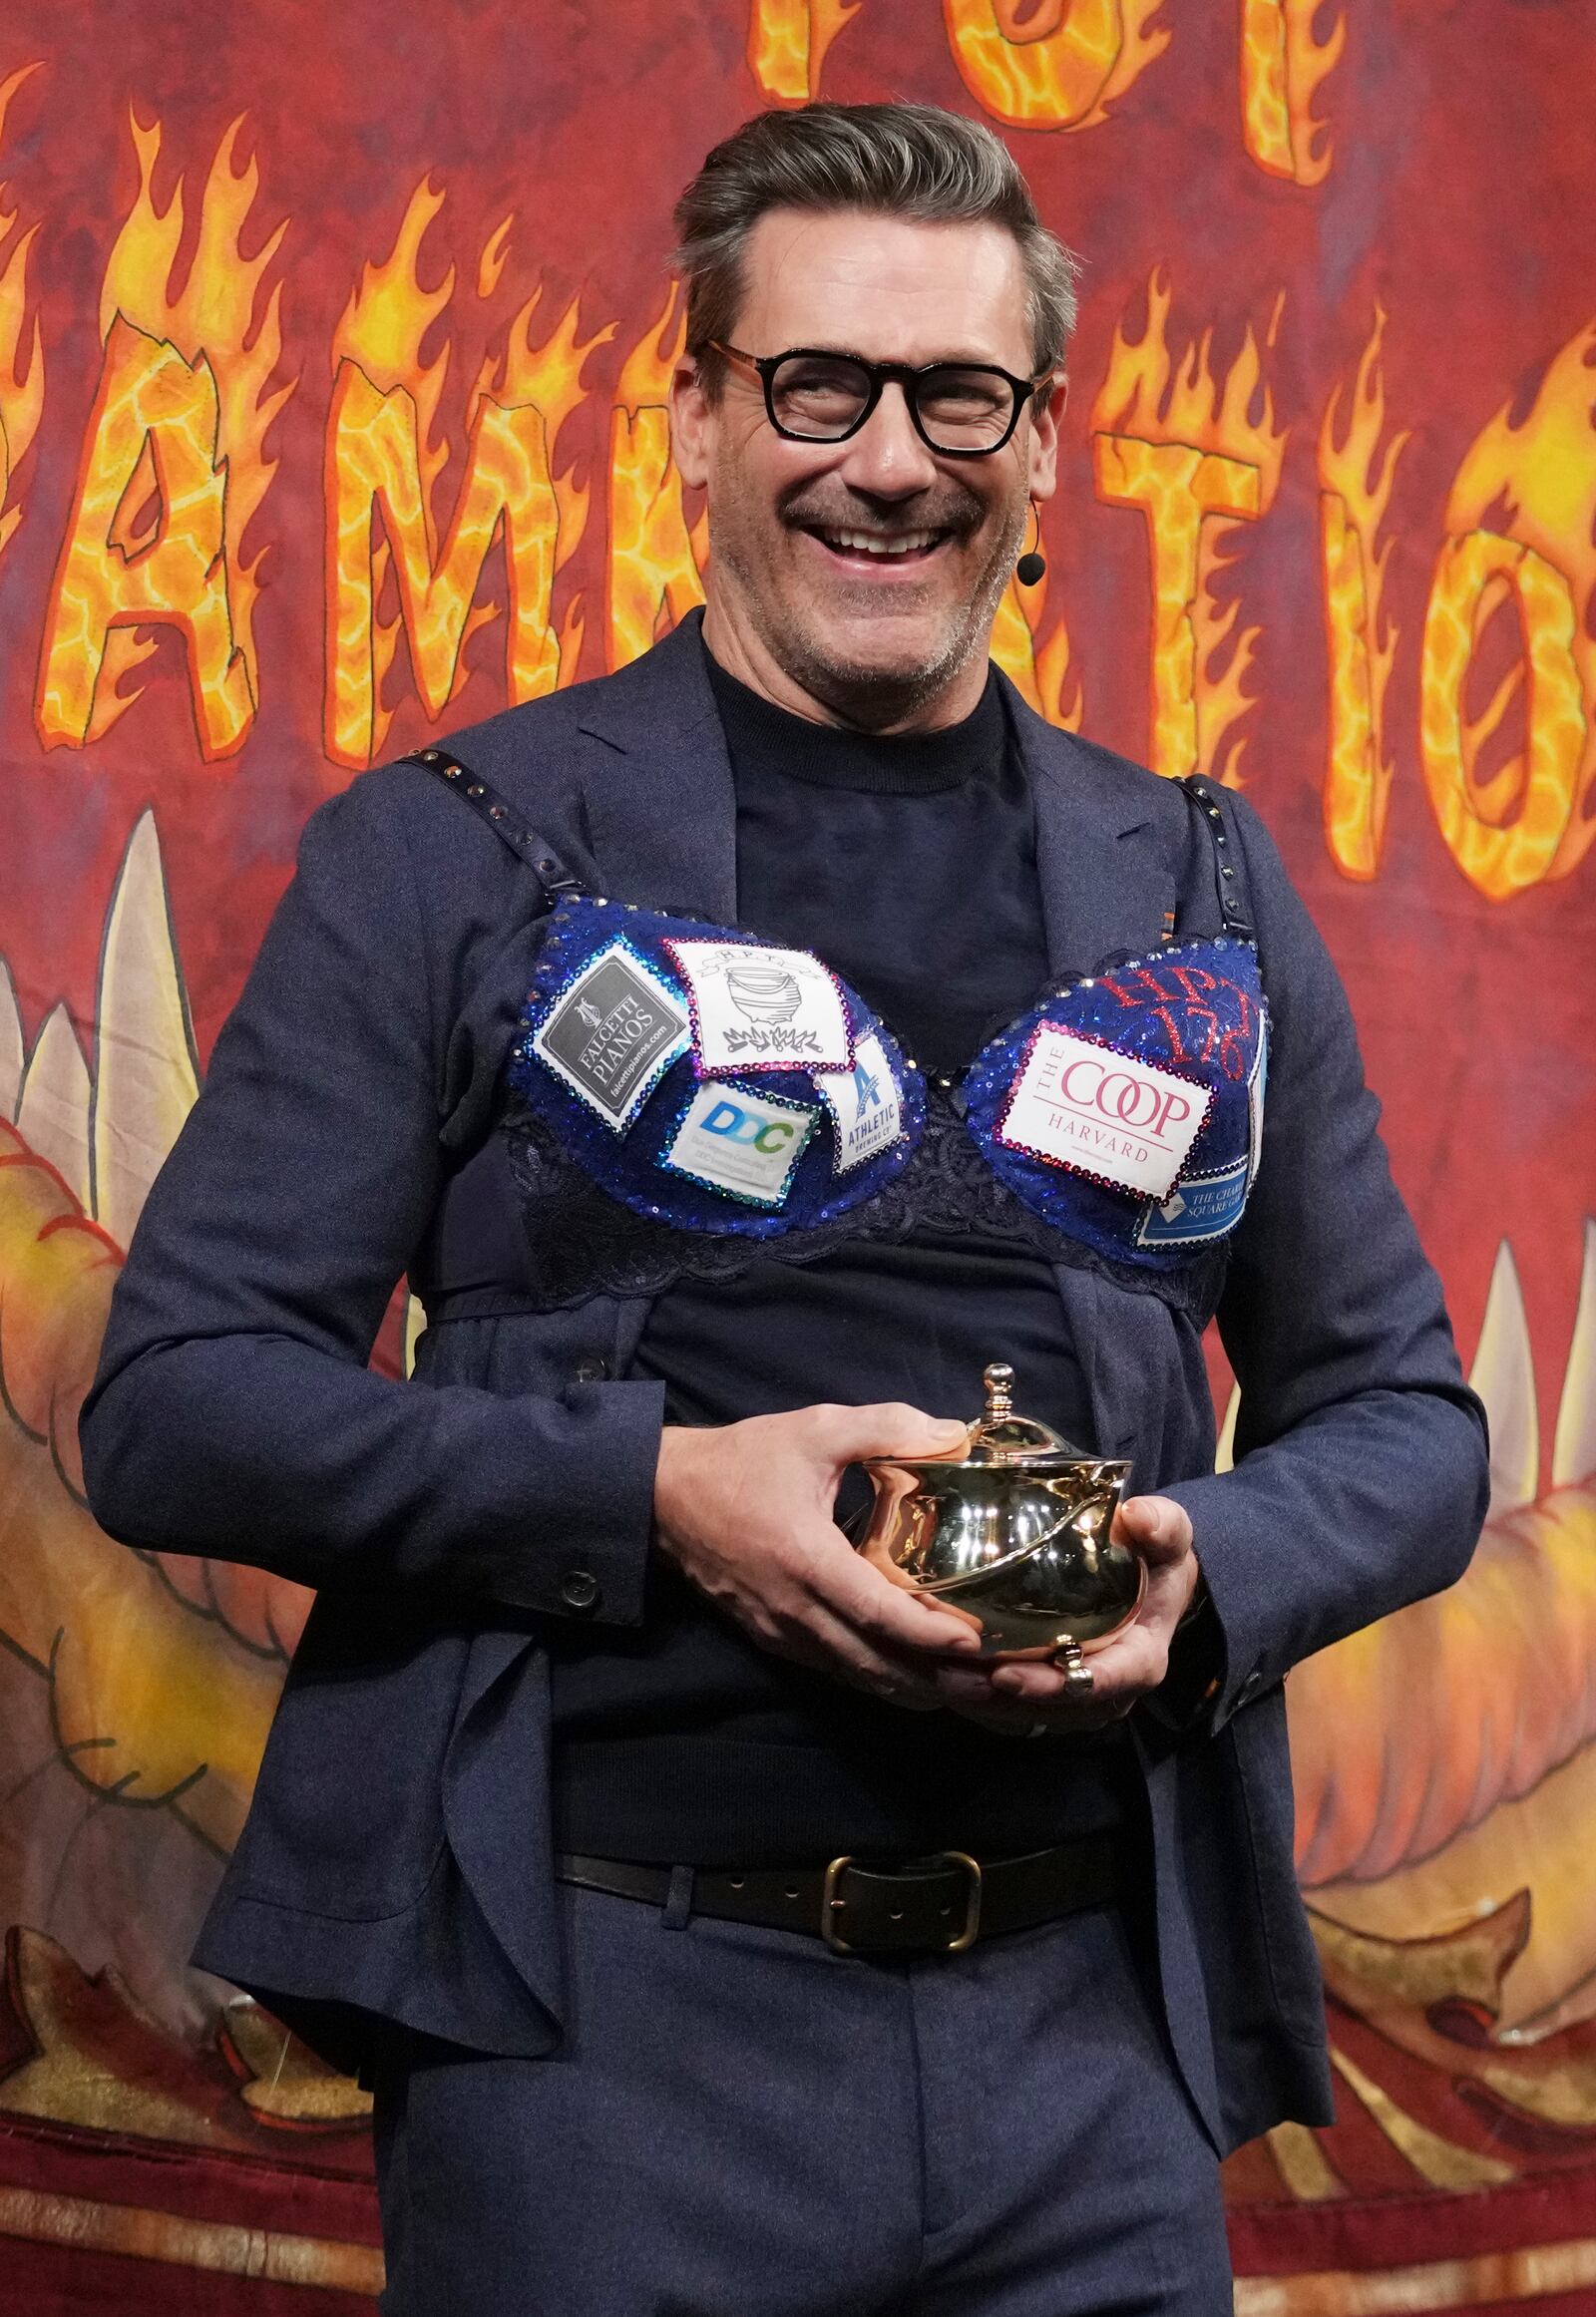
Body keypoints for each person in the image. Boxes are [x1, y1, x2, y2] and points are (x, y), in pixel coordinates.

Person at [79, 102, 1488, 2316]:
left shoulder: (1200, 881)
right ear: (694, 418)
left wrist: (1202, 1572)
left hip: (1082, 2054)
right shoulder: (454, 850)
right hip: (602, 2043)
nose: (888, 461)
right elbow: (175, 1405)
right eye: (815, 386)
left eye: (959, 396)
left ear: (1039, 446)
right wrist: (659, 1491)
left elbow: (1406, 1418)